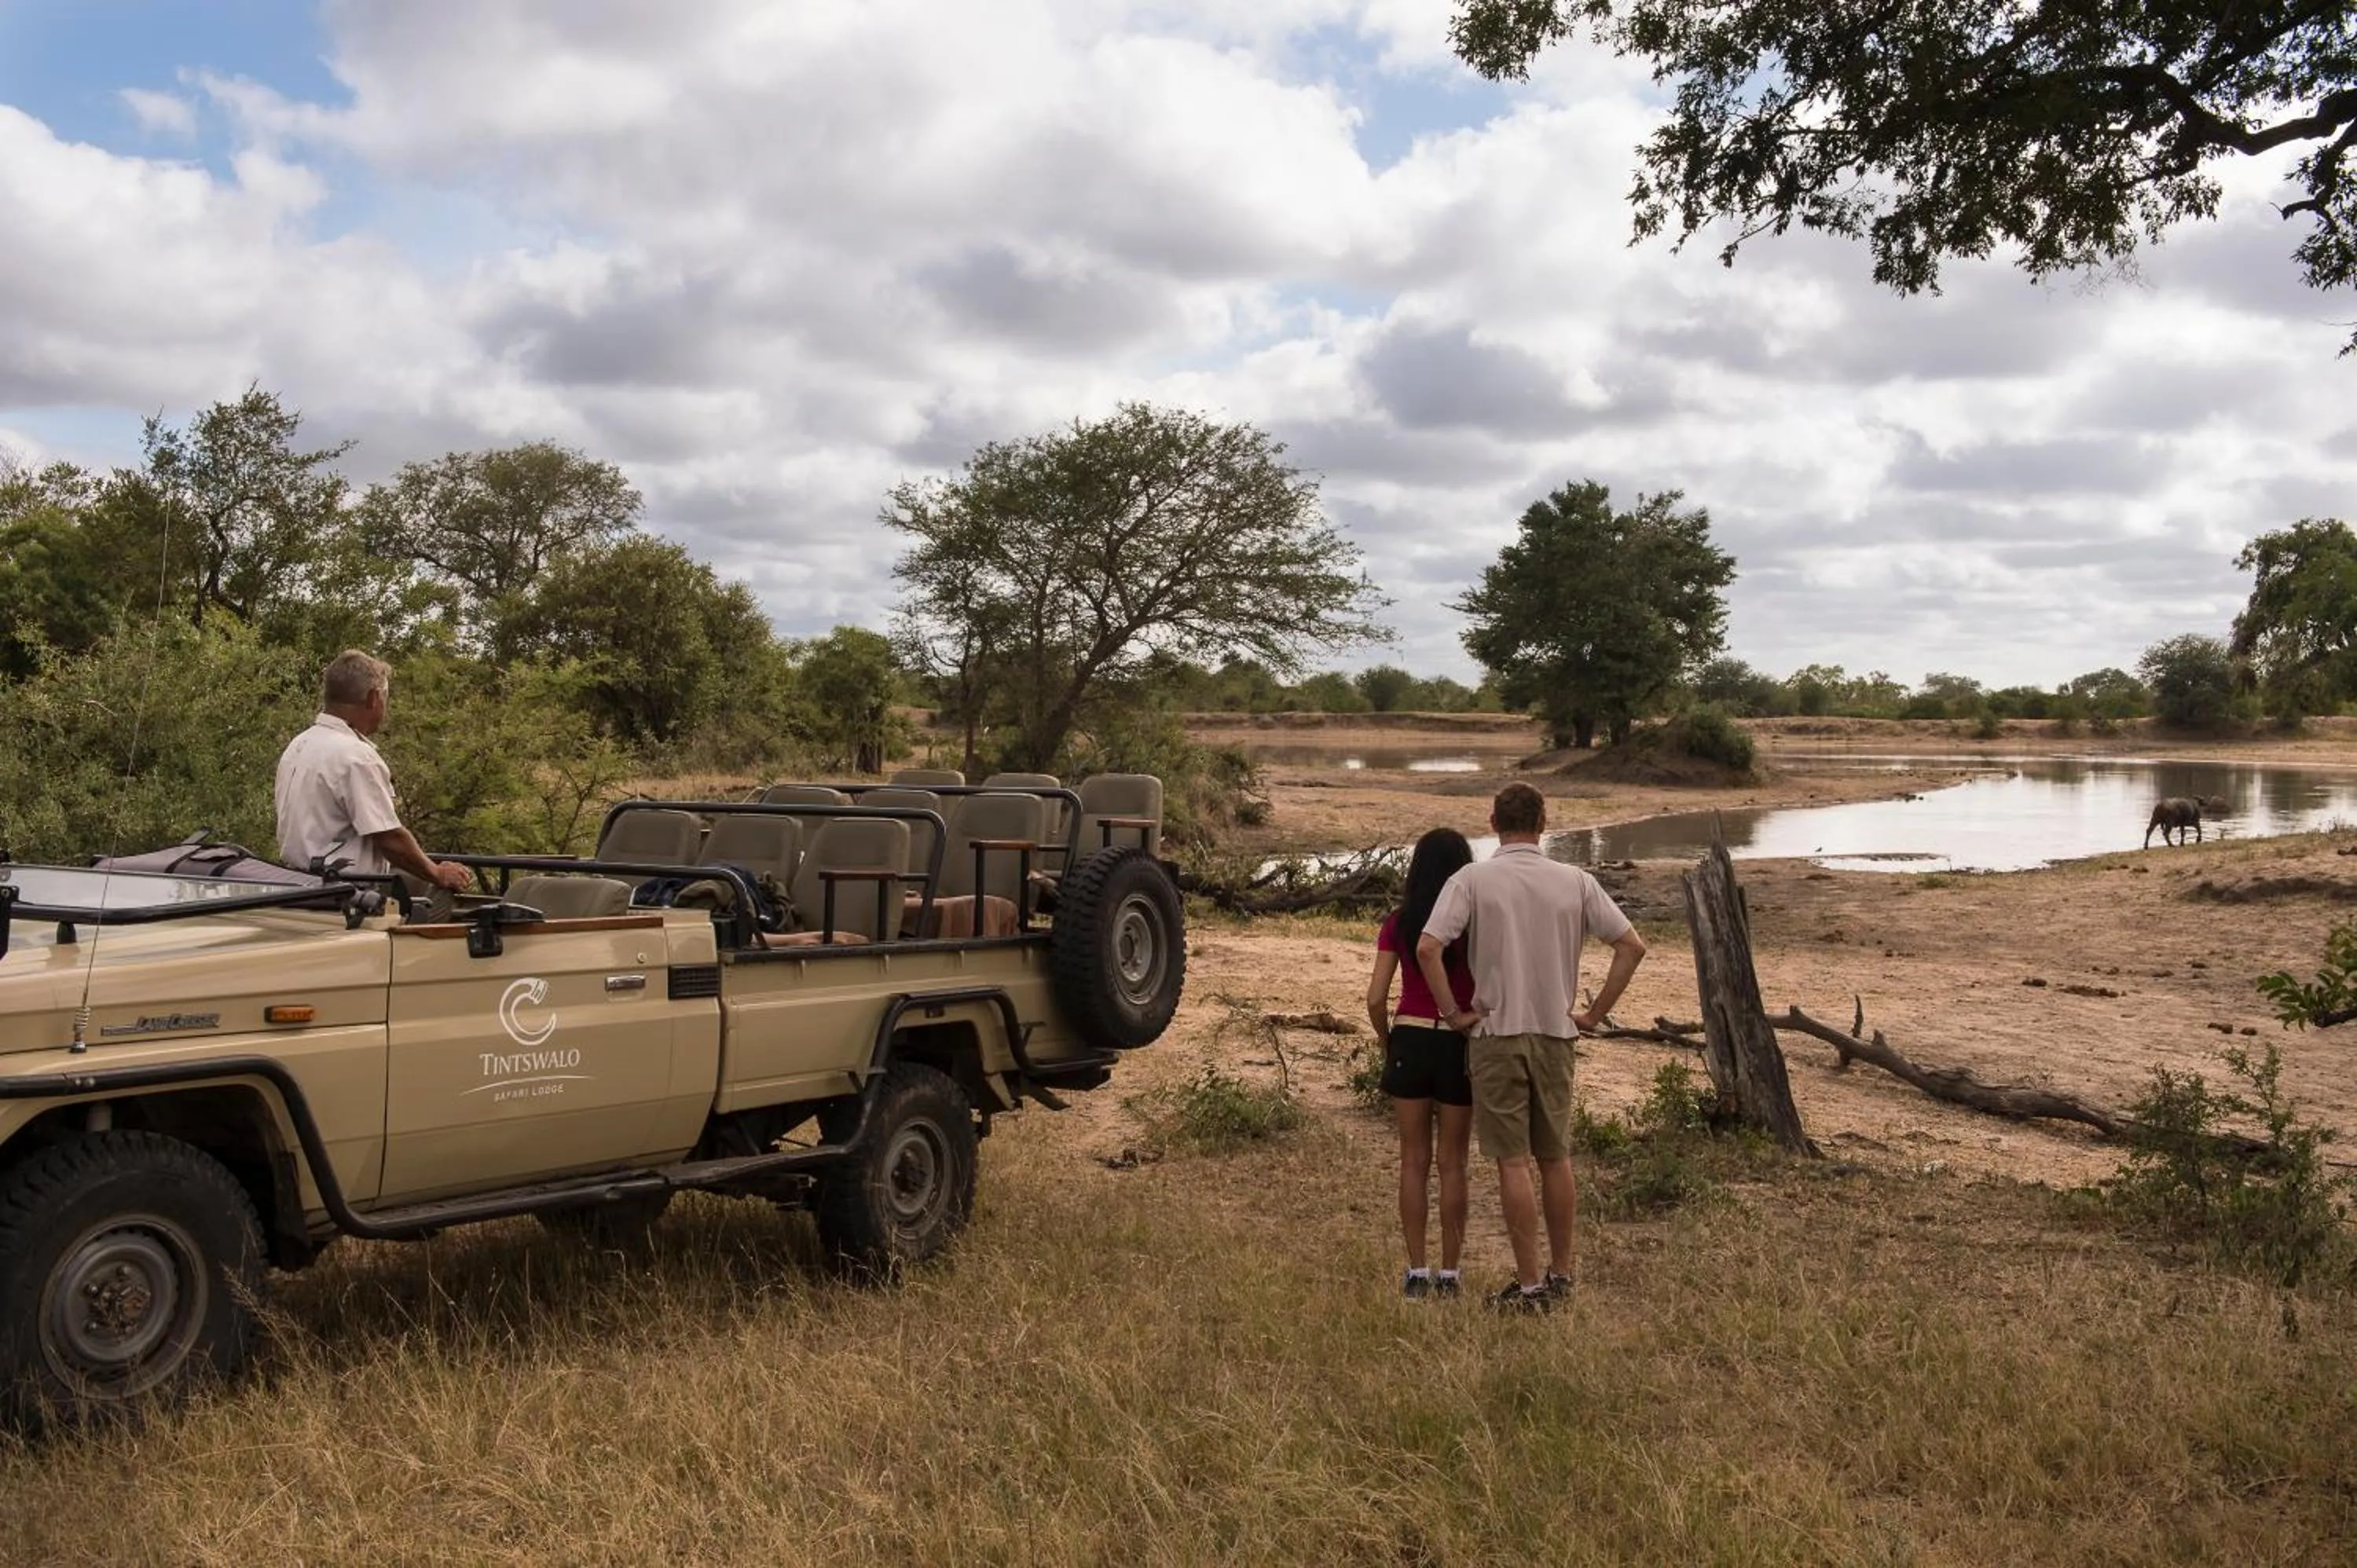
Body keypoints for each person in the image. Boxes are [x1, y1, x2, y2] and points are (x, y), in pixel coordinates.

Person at [1417, 782, 1646, 1313]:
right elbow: (1631, 945)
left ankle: (1529, 1287)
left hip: (1496, 1034)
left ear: (1493, 821)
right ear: (1543, 822)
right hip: (1556, 1034)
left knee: (1513, 1161)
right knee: (1555, 1156)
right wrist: (1593, 1014)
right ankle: (1561, 1274)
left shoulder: (1473, 878)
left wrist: (1454, 1015)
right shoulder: (1576, 881)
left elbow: (1429, 947)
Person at [1364, 828, 1477, 1300]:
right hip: (1458, 1039)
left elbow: (1374, 999)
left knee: (1413, 1160)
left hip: (1409, 1035)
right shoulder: (1474, 921)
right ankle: (1450, 1275)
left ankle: (1416, 1272)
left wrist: (1389, 1041)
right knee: (1453, 1162)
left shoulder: (1400, 921)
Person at [274, 650, 471, 892]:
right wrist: (438, 873)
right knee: (440, 896)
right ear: (374, 698)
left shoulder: (299, 745)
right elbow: (388, 838)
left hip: (297, 886)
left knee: (412, 884)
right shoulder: (355, 756)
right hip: (344, 896)